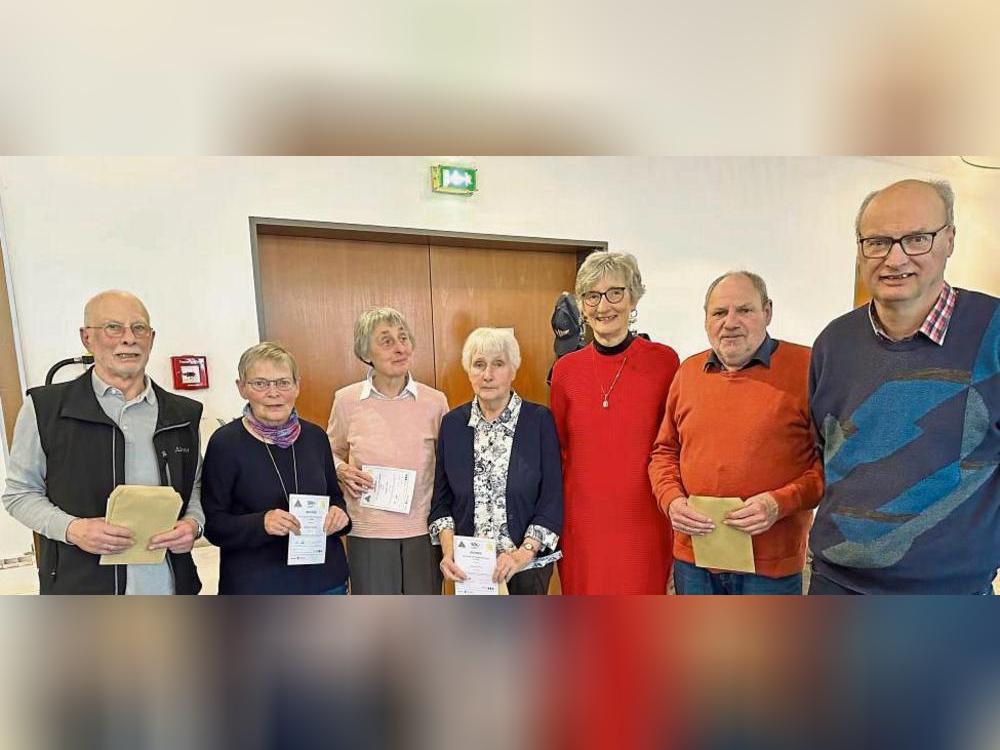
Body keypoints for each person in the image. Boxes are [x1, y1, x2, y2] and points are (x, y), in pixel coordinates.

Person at [809, 179, 999, 594]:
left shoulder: (994, 333)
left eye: (916, 239)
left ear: (949, 239)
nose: (895, 259)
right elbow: (825, 453)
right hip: (836, 586)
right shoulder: (832, 344)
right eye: (877, 242)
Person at [1, 290, 204, 594]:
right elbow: (20, 494)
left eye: (138, 328)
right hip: (80, 587)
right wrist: (73, 529)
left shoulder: (184, 413)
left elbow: (196, 490)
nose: (129, 338)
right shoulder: (46, 409)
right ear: (87, 338)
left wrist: (193, 526)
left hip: (169, 585)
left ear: (151, 338)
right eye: (113, 327)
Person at [649, 271, 823, 594]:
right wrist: (671, 501)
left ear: (767, 312)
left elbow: (828, 465)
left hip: (770, 569)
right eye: (719, 312)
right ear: (706, 320)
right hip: (695, 562)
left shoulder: (807, 368)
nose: (730, 322)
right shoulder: (688, 372)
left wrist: (779, 503)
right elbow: (664, 453)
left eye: (744, 310)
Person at [550, 251, 680, 594]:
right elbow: (561, 450)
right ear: (582, 304)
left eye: (615, 293)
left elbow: (672, 446)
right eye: (592, 296)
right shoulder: (565, 372)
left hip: (643, 519)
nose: (603, 306)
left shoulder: (664, 363)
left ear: (633, 297)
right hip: (582, 522)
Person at [202, 342, 351, 594]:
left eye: (283, 382)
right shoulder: (225, 443)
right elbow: (213, 524)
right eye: (260, 383)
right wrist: (261, 523)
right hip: (258, 586)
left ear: (297, 386)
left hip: (325, 581)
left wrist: (340, 515)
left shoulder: (316, 437)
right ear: (242, 388)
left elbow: (335, 499)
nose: (274, 393)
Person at [429, 328, 563, 594]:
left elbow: (552, 499)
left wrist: (521, 554)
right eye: (479, 365)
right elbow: (441, 503)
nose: (487, 375)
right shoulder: (453, 425)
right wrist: (449, 553)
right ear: (468, 370)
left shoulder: (538, 421)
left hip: (526, 567)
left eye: (498, 364)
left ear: (513, 369)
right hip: (471, 570)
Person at [328, 308, 449, 594]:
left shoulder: (435, 401)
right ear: (365, 352)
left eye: (403, 338)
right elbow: (328, 453)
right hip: (368, 530)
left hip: (423, 529)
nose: (400, 348)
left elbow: (448, 467)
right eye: (387, 341)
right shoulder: (346, 401)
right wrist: (341, 470)